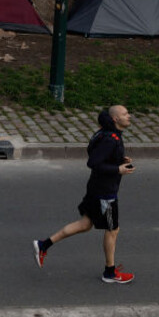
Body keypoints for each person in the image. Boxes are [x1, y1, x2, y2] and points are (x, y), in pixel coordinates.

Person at [33, 105, 136, 284]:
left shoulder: (104, 133)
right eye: (125, 114)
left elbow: (95, 152)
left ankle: (43, 245)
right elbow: (93, 162)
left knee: (85, 224)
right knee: (112, 230)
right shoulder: (111, 139)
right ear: (115, 119)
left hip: (95, 189)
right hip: (105, 193)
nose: (129, 116)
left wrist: (119, 160)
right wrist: (117, 168)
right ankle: (110, 273)